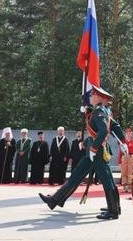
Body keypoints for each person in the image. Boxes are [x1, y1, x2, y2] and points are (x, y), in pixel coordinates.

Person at [39, 86, 127, 220]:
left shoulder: (99, 111)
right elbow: (114, 127)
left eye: (92, 95)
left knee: (106, 179)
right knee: (77, 175)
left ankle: (113, 210)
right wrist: (122, 141)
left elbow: (103, 131)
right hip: (93, 151)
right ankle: (55, 200)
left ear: (99, 97)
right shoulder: (103, 111)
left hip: (96, 152)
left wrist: (94, 148)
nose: (90, 97)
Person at [119, 127, 133, 192]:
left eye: (130, 133)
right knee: (123, 172)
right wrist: (119, 162)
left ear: (132, 134)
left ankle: (129, 187)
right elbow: (120, 152)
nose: (128, 134)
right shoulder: (123, 142)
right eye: (127, 133)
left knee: (130, 173)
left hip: (130, 157)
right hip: (124, 157)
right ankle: (124, 187)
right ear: (125, 134)